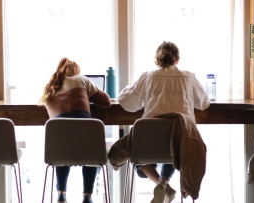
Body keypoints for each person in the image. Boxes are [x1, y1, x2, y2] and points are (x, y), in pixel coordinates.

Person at [108, 41, 210, 203]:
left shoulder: (147, 76)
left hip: (148, 144)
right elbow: (203, 103)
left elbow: (127, 103)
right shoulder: (188, 77)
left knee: (135, 151)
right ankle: (163, 183)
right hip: (179, 144)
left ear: (157, 59)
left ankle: (161, 184)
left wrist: (130, 89)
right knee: (173, 144)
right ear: (177, 60)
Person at [39, 57, 111, 203]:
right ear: (75, 72)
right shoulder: (81, 79)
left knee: (63, 141)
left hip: (60, 151)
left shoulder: (48, 90)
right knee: (90, 146)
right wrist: (86, 97)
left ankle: (61, 192)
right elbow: (106, 102)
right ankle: (87, 195)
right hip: (86, 148)